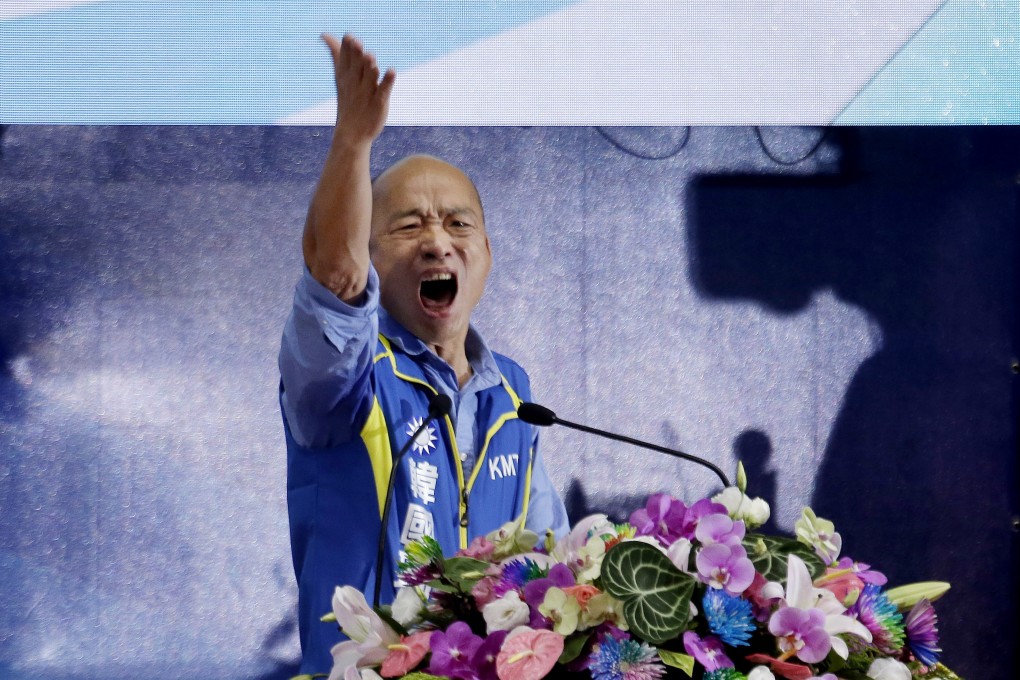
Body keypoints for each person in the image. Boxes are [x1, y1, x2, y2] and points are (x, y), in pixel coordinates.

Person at [278, 34, 569, 673]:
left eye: (459, 224)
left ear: (487, 254)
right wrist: (352, 142)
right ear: (372, 256)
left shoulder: (515, 396)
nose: (438, 241)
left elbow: (554, 566)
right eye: (409, 225)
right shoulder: (344, 379)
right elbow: (335, 277)